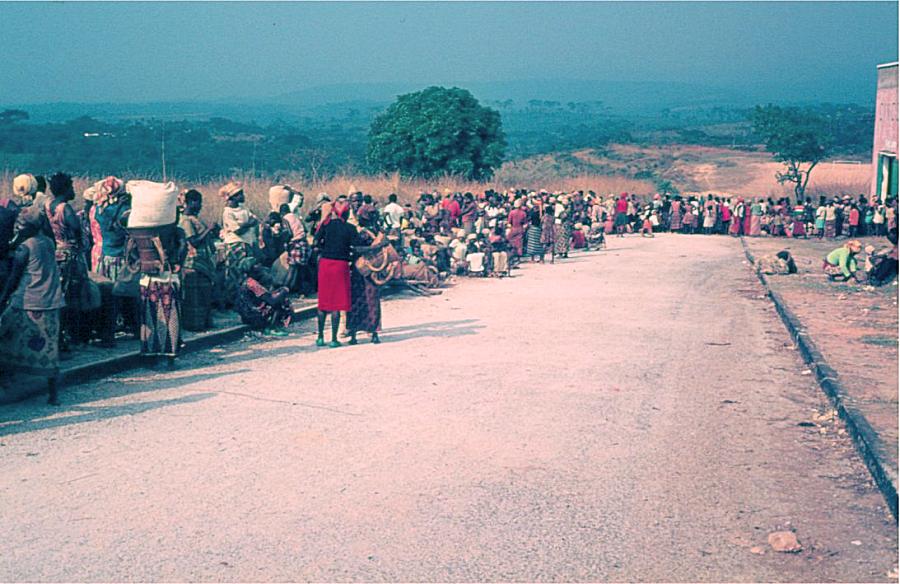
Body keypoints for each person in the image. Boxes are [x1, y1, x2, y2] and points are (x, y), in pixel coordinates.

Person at [0, 207, 64, 404]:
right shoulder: (48, 242)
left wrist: (2, 299)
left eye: (21, 225)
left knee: (6, 340)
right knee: (49, 351)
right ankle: (53, 395)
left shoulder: (24, 248)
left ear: (30, 226)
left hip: (26, 301)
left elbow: (14, 278)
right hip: (50, 301)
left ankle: (6, 385)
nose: (18, 228)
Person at [128, 221, 186, 365]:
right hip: (168, 278)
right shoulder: (176, 231)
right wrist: (177, 262)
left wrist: (142, 262)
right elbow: (183, 249)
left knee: (148, 316)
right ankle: (170, 356)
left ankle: (150, 356)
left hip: (147, 280)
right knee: (170, 317)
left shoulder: (139, 231)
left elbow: (130, 253)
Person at [45, 173, 89, 351]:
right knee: (74, 296)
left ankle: (62, 334)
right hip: (71, 255)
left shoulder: (48, 206)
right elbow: (77, 231)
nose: (73, 191)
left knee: (62, 294)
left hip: (57, 253)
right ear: (65, 189)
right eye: (71, 187)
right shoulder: (66, 209)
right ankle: (73, 336)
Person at [315, 200, 358, 347]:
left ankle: (320, 337)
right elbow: (356, 246)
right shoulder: (350, 228)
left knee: (323, 302)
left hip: (325, 264)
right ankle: (333, 339)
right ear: (346, 213)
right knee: (337, 304)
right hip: (341, 266)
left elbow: (316, 242)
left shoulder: (326, 225)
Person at [179, 189, 219, 332]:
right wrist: (208, 229)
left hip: (202, 262)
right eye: (198, 202)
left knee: (204, 294)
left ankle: (204, 322)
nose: (200, 206)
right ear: (190, 202)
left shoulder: (194, 219)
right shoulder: (185, 220)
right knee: (195, 296)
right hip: (193, 263)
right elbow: (193, 241)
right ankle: (195, 324)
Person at [219, 181, 259, 306]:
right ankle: (232, 301)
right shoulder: (228, 212)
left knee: (248, 272)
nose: (243, 196)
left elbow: (254, 220)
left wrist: (245, 225)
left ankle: (245, 299)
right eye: (239, 194)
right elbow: (238, 230)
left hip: (247, 243)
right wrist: (248, 224)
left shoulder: (244, 209)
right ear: (233, 197)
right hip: (235, 245)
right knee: (234, 274)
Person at [347, 228, 384, 344]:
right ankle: (366, 333)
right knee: (366, 301)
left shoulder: (370, 230)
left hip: (364, 271)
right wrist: (374, 247)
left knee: (365, 301)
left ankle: (362, 333)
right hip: (361, 271)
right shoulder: (360, 231)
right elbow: (354, 249)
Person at [235, 265, 292, 335]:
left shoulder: (246, 281)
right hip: (254, 316)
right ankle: (271, 328)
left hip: (246, 316)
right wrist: (284, 291)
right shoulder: (253, 284)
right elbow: (272, 301)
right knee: (282, 303)